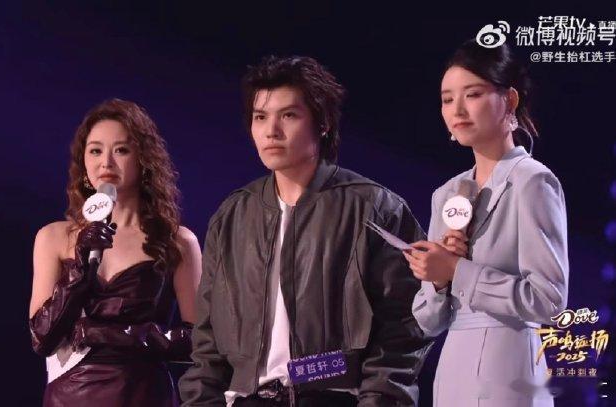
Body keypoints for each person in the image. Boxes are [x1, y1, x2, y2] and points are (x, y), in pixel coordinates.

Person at [179, 56, 432, 406]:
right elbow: (207, 340)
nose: (271, 131)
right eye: (260, 117)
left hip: (334, 397)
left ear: (323, 123)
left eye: (288, 115)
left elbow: (404, 326)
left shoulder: (373, 208)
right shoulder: (233, 216)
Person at [407, 40, 569, 406]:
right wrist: (437, 280)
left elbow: (549, 299)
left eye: (473, 94)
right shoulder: (446, 194)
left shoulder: (532, 181)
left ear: (509, 100)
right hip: (452, 373)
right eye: (447, 99)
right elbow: (428, 321)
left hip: (509, 370)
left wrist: (457, 270)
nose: (457, 109)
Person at [29, 98, 202, 406]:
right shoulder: (53, 237)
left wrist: (118, 335)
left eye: (121, 150)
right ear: (83, 161)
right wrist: (81, 267)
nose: (106, 162)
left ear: (144, 160)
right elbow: (42, 339)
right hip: (69, 397)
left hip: (142, 395)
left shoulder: (178, 241)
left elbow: (201, 340)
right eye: (95, 151)